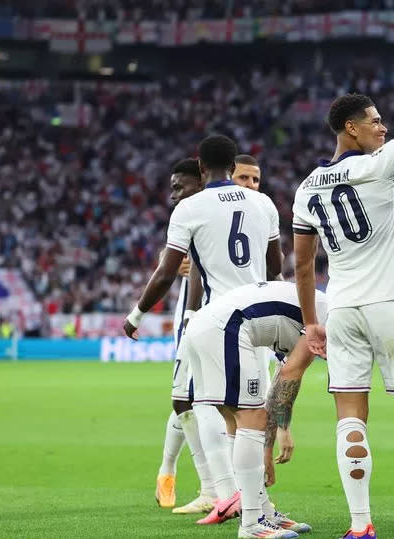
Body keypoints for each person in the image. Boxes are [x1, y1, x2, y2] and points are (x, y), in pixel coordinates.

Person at [291, 24, 394, 539]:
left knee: (350, 418)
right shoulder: (379, 167)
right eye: (375, 121)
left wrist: (311, 323)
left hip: (340, 308)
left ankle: (361, 526)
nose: (383, 128)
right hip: (388, 302)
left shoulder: (306, 188)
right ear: (350, 129)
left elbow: (301, 265)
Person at [122, 134, 284, 526]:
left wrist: (137, 314)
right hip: (260, 317)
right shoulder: (263, 203)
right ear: (234, 166)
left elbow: (165, 273)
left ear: (200, 166)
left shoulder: (191, 208)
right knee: (247, 415)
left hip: (220, 320)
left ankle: (237, 505)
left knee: (220, 413)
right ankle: (256, 508)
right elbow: (276, 267)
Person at [182, 280, 328, 538]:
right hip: (226, 327)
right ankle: (251, 524)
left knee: (234, 419)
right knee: (252, 417)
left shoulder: (320, 305)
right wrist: (280, 432)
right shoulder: (331, 321)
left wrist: (269, 446)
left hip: (203, 326)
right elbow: (290, 376)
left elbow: (280, 383)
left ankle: (263, 511)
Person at [153, 158, 221, 515]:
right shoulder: (190, 215)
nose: (173, 196)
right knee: (186, 399)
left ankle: (173, 470)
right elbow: (170, 264)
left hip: (231, 319)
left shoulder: (240, 210)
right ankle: (200, 481)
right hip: (196, 319)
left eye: (180, 187)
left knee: (195, 401)